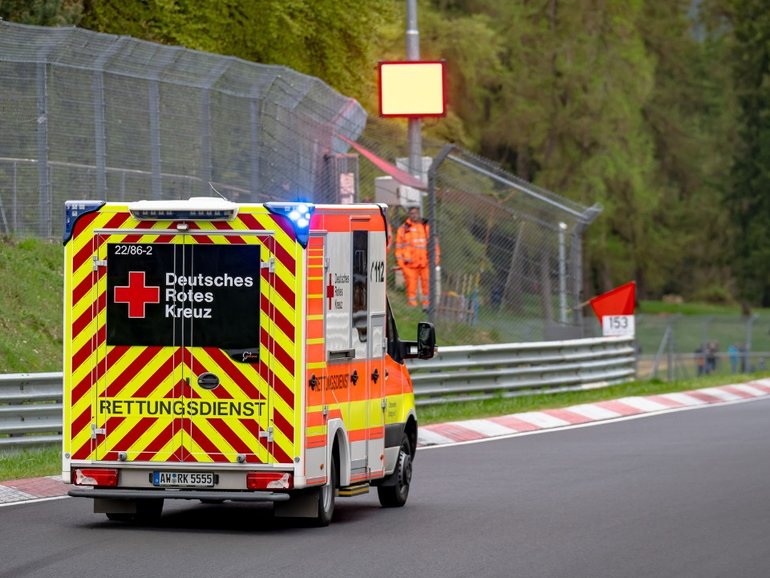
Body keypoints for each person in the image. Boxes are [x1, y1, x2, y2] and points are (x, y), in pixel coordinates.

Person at [395, 206, 439, 310]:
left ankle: (427, 307)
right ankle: (412, 308)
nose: (414, 215)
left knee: (427, 285)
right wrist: (401, 264)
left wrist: (435, 260)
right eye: (412, 213)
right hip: (409, 265)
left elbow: (435, 245)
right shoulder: (403, 229)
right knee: (411, 288)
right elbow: (398, 248)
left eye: (416, 213)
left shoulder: (425, 227)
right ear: (409, 215)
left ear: (419, 214)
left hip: (425, 263)